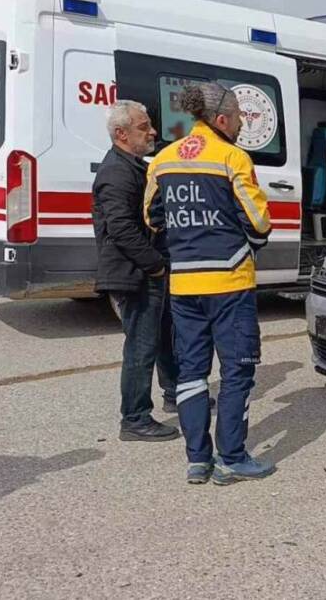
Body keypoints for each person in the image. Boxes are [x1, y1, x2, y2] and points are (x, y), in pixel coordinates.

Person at [144, 82, 275, 485]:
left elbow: (152, 217)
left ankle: (198, 460)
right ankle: (232, 457)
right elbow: (260, 222)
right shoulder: (232, 158)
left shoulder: (162, 161)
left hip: (184, 285)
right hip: (230, 282)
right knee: (237, 371)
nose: (240, 125)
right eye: (238, 118)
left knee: (191, 373)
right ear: (221, 119)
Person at [92, 100, 180, 443]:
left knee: (162, 339)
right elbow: (121, 229)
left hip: (145, 270)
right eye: (144, 127)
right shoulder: (116, 171)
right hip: (135, 274)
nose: (153, 131)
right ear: (121, 134)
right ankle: (135, 418)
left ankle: (174, 392)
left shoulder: (133, 166)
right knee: (141, 347)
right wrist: (156, 266)